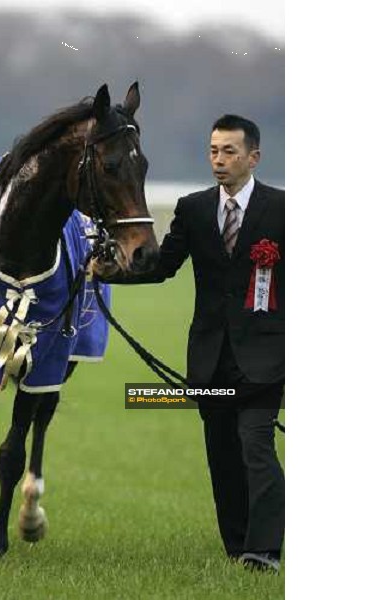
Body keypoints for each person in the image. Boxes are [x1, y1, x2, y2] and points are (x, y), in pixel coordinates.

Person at [99, 114, 284, 572]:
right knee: (222, 455)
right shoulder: (193, 208)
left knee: (255, 447)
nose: (219, 161)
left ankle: (264, 551)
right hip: (209, 359)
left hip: (265, 358)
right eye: (214, 151)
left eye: (230, 152)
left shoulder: (284, 211)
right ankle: (237, 544)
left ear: (253, 157)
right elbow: (162, 267)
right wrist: (109, 274)